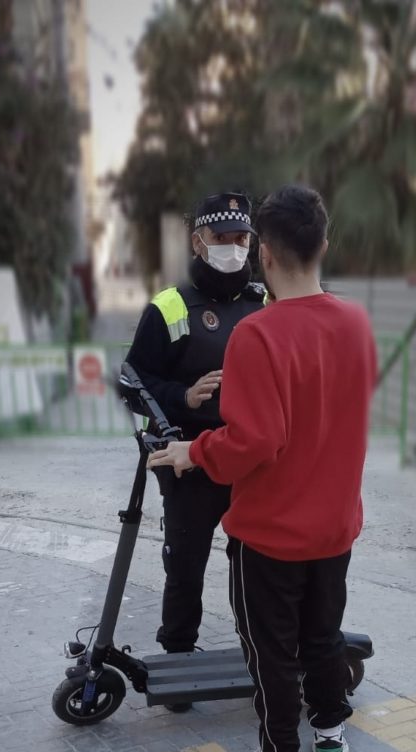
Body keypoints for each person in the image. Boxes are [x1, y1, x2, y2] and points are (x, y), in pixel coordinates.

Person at [148, 184, 377, 752]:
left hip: (271, 535)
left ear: (264, 255)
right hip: (335, 527)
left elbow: (253, 441)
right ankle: (328, 740)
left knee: (272, 649)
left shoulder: (259, 334)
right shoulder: (356, 322)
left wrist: (190, 452)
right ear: (324, 245)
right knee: (323, 636)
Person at [125, 192, 265, 710]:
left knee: (253, 561)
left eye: (241, 239)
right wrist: (182, 396)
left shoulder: (264, 303)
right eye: (222, 239)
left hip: (248, 457)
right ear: (198, 241)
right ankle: (178, 654)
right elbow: (133, 378)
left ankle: (259, 648)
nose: (233, 248)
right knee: (185, 561)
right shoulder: (171, 306)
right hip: (189, 459)